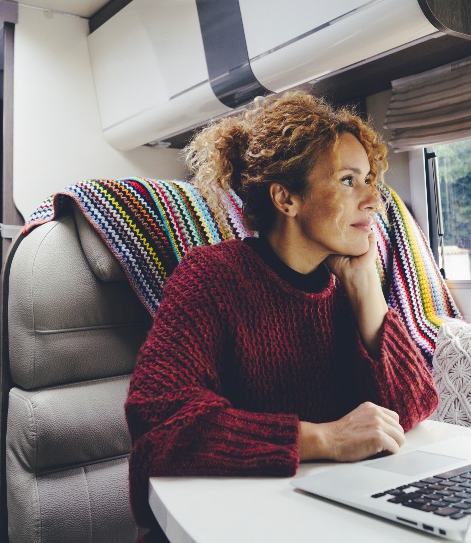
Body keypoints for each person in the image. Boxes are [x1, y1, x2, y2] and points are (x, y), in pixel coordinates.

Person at [125, 91, 438, 538]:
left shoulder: (346, 284)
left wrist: (364, 284)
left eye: (370, 179)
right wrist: (324, 438)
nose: (374, 198)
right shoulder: (210, 278)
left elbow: (414, 405)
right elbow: (160, 425)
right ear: (286, 199)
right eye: (348, 180)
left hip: (320, 520)